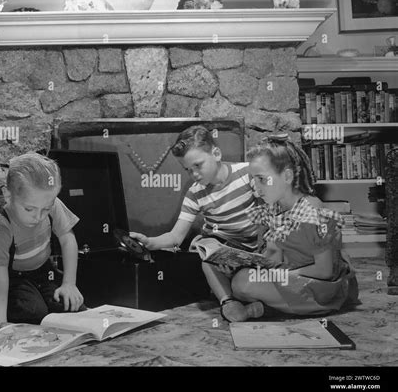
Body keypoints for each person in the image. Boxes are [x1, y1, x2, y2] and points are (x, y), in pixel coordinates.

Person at [130, 125, 264, 322]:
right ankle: (228, 302)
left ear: (216, 154)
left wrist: (260, 253)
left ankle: (247, 298)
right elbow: (176, 237)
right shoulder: (195, 193)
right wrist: (149, 242)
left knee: (248, 284)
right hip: (222, 250)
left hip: (255, 249)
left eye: (198, 165)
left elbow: (268, 216)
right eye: (187, 170)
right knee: (205, 253)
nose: (194, 174)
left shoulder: (246, 173)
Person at [231, 133, 359, 315]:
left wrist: (281, 276)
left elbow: (325, 271)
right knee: (240, 280)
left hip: (319, 282)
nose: (255, 187)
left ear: (287, 176)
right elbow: (274, 257)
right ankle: (271, 306)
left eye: (261, 179)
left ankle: (276, 308)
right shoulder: (274, 207)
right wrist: (242, 262)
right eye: (253, 179)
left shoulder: (312, 212)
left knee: (245, 284)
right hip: (290, 274)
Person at [0, 152, 84, 327]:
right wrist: (1, 323)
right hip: (13, 277)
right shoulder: (0, 227)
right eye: (29, 209)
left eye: (46, 208)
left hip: (44, 271)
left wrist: (69, 284)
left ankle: (41, 296)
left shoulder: (51, 204)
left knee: (71, 305)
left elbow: (68, 239)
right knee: (33, 311)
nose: (38, 216)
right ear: (8, 195)